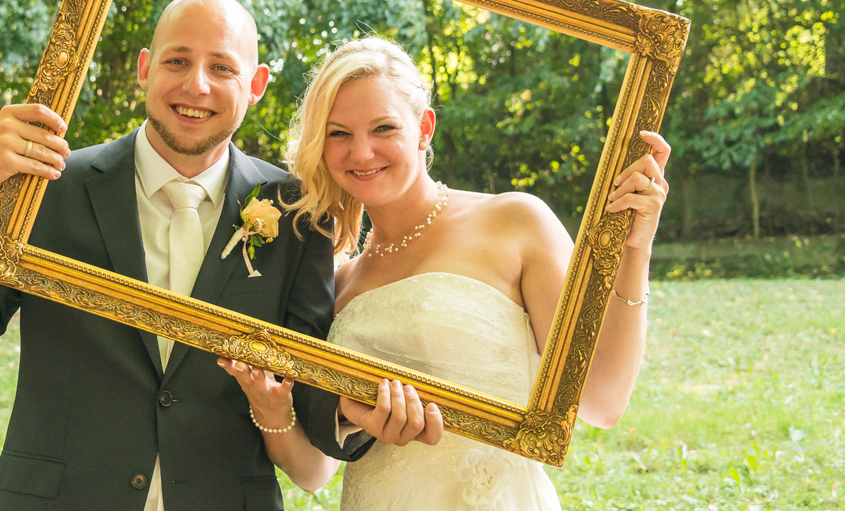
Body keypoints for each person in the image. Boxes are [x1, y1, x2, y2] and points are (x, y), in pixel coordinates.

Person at [0, 0, 438, 511]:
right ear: (145, 68)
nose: (196, 84)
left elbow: (305, 380)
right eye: (177, 60)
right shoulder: (51, 186)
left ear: (255, 85)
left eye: (222, 68)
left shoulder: (299, 215)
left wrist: (353, 411)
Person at [220, 37, 671, 510]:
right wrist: (271, 408)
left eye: (383, 128)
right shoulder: (336, 284)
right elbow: (314, 472)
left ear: (424, 128)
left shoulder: (516, 222)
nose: (361, 152)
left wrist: (635, 251)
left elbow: (601, 400)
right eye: (338, 134)